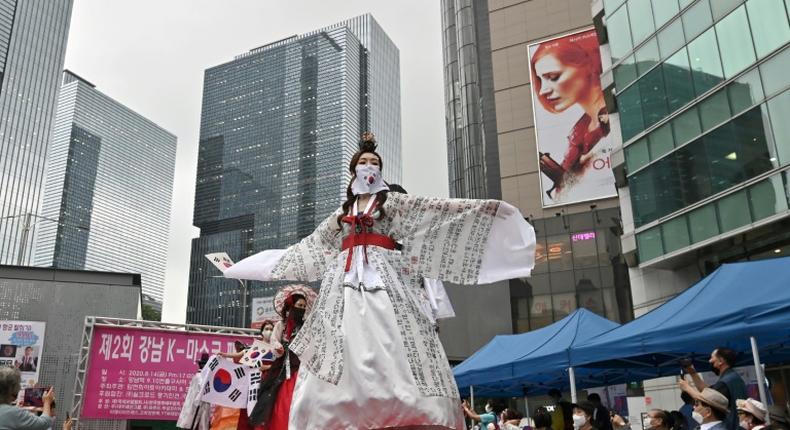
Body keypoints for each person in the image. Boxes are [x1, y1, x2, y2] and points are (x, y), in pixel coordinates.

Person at [224, 132, 536, 429]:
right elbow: (310, 247)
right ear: (353, 171)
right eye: (363, 163)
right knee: (342, 339)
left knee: (394, 336)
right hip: (344, 280)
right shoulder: (341, 213)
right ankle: (340, 408)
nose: (369, 168)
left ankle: (405, 405)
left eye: (375, 163)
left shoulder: (392, 205)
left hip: (385, 274)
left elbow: (435, 212)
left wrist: (486, 210)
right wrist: (255, 265)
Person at [530, 33, 612, 201]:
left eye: (553, 77)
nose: (543, 90)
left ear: (589, 66)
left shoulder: (613, 118)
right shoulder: (578, 134)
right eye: (541, 80)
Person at [247, 285, 315, 428]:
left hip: (301, 365)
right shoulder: (281, 325)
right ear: (291, 307)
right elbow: (274, 340)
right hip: (283, 364)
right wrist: (278, 347)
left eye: (303, 306)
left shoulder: (305, 326)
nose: (301, 308)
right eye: (299, 305)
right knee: (279, 395)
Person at [680, 347, 746, 430]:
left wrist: (687, 388)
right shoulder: (731, 378)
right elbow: (708, 393)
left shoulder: (726, 382)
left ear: (721, 361)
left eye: (712, 358)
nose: (709, 361)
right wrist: (693, 373)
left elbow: (708, 400)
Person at [177, 353, 211, 430]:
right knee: (198, 425)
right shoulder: (201, 377)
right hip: (199, 406)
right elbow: (199, 394)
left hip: (197, 406)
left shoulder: (198, 376)